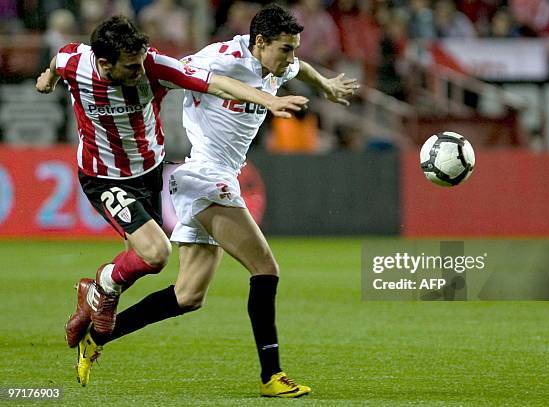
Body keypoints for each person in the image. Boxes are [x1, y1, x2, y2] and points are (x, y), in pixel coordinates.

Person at [73, 5, 358, 398]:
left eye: (294, 49)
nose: (291, 58)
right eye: (286, 49)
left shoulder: (277, 64)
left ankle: (99, 336)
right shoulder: (220, 58)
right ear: (260, 42)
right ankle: (271, 376)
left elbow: (300, 68)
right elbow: (179, 72)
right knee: (266, 269)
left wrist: (324, 84)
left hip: (218, 178)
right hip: (204, 177)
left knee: (188, 296)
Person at [36, 13, 307, 380]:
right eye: (130, 67)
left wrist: (271, 100)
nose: (139, 72)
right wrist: (48, 77)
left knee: (189, 295)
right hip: (105, 176)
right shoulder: (75, 62)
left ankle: (98, 327)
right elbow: (57, 61)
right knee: (160, 253)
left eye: (141, 62)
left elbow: (219, 85)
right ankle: (271, 376)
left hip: (149, 174)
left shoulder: (156, 66)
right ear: (103, 63)